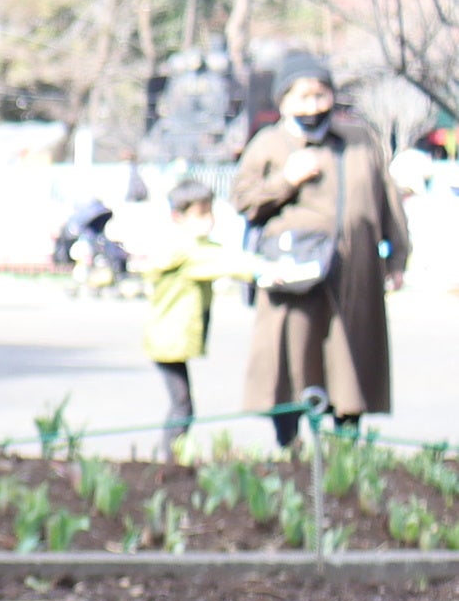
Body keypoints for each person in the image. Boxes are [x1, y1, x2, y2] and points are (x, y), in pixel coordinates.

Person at [233, 60, 412, 444]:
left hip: (355, 273)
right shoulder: (270, 143)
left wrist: (397, 259)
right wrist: (286, 180)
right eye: (304, 97)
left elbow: (388, 202)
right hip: (296, 279)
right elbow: (243, 201)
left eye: (321, 95)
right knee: (294, 362)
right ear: (284, 102)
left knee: (350, 364)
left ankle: (346, 449)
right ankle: (290, 449)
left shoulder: (360, 140)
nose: (314, 106)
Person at [131, 177, 264, 457]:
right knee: (182, 405)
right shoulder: (187, 250)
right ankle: (171, 459)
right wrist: (265, 270)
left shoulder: (185, 245)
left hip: (166, 339)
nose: (209, 220)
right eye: (201, 214)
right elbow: (229, 261)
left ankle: (172, 456)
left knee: (182, 403)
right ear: (178, 217)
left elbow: (222, 254)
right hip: (169, 341)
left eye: (210, 211)